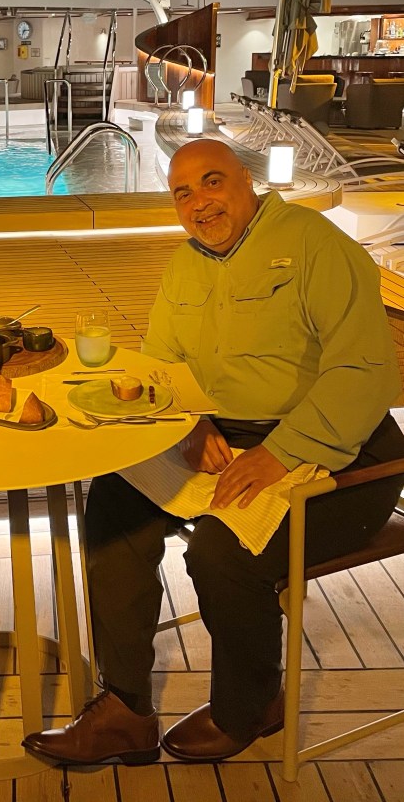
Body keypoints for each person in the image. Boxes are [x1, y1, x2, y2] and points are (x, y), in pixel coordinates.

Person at [23, 138, 404, 766]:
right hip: (230, 439)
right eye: (183, 193)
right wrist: (192, 423)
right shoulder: (186, 265)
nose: (199, 202)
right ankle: (125, 709)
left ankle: (250, 705)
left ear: (247, 182)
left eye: (212, 182)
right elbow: (164, 361)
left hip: (349, 458)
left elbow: (363, 372)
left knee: (223, 553)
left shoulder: (315, 244)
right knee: (114, 503)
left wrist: (281, 453)